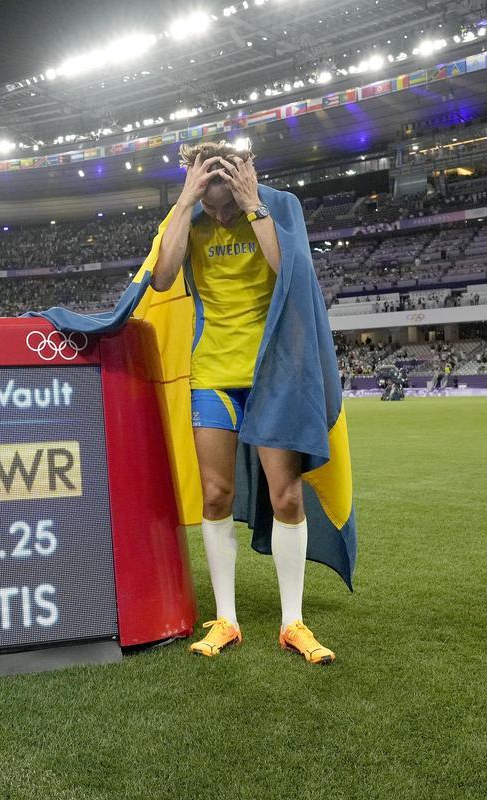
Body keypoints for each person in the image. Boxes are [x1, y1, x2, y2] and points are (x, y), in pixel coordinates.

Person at [150, 141, 335, 664]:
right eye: (210, 203)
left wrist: (253, 205)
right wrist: (186, 205)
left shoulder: (279, 205)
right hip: (211, 373)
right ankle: (226, 619)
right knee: (215, 495)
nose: (220, 213)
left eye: (224, 200)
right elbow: (163, 278)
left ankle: (292, 622)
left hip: (274, 372)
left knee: (287, 498)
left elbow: (291, 272)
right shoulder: (188, 216)